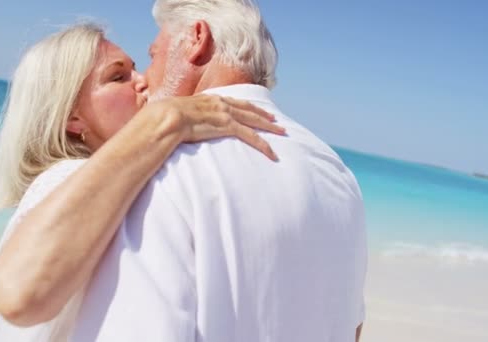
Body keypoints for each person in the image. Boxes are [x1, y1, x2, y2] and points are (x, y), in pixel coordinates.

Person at [70, 1, 368, 341]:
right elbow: (350, 328)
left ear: (197, 38)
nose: (146, 80)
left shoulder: (165, 163)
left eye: (153, 57)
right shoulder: (337, 172)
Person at [0, 23, 286, 341]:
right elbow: (18, 292)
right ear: (72, 118)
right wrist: (164, 120)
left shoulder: (111, 181)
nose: (143, 81)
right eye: (118, 77)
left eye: (135, 69)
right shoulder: (67, 177)